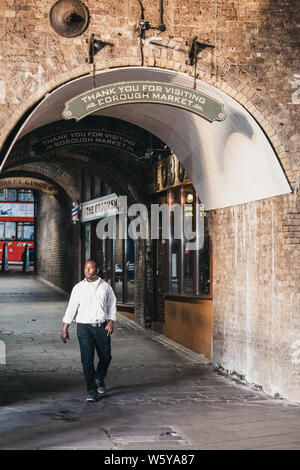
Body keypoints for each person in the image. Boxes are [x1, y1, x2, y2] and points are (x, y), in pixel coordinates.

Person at [61, 259, 116, 402]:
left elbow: (111, 305)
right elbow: (72, 307)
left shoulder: (105, 287)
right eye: (85, 268)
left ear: (97, 270)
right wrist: (65, 327)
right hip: (83, 328)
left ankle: (98, 377)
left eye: (91, 268)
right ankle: (91, 390)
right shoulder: (78, 288)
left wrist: (111, 321)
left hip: (102, 327)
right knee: (87, 360)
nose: (87, 270)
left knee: (106, 357)